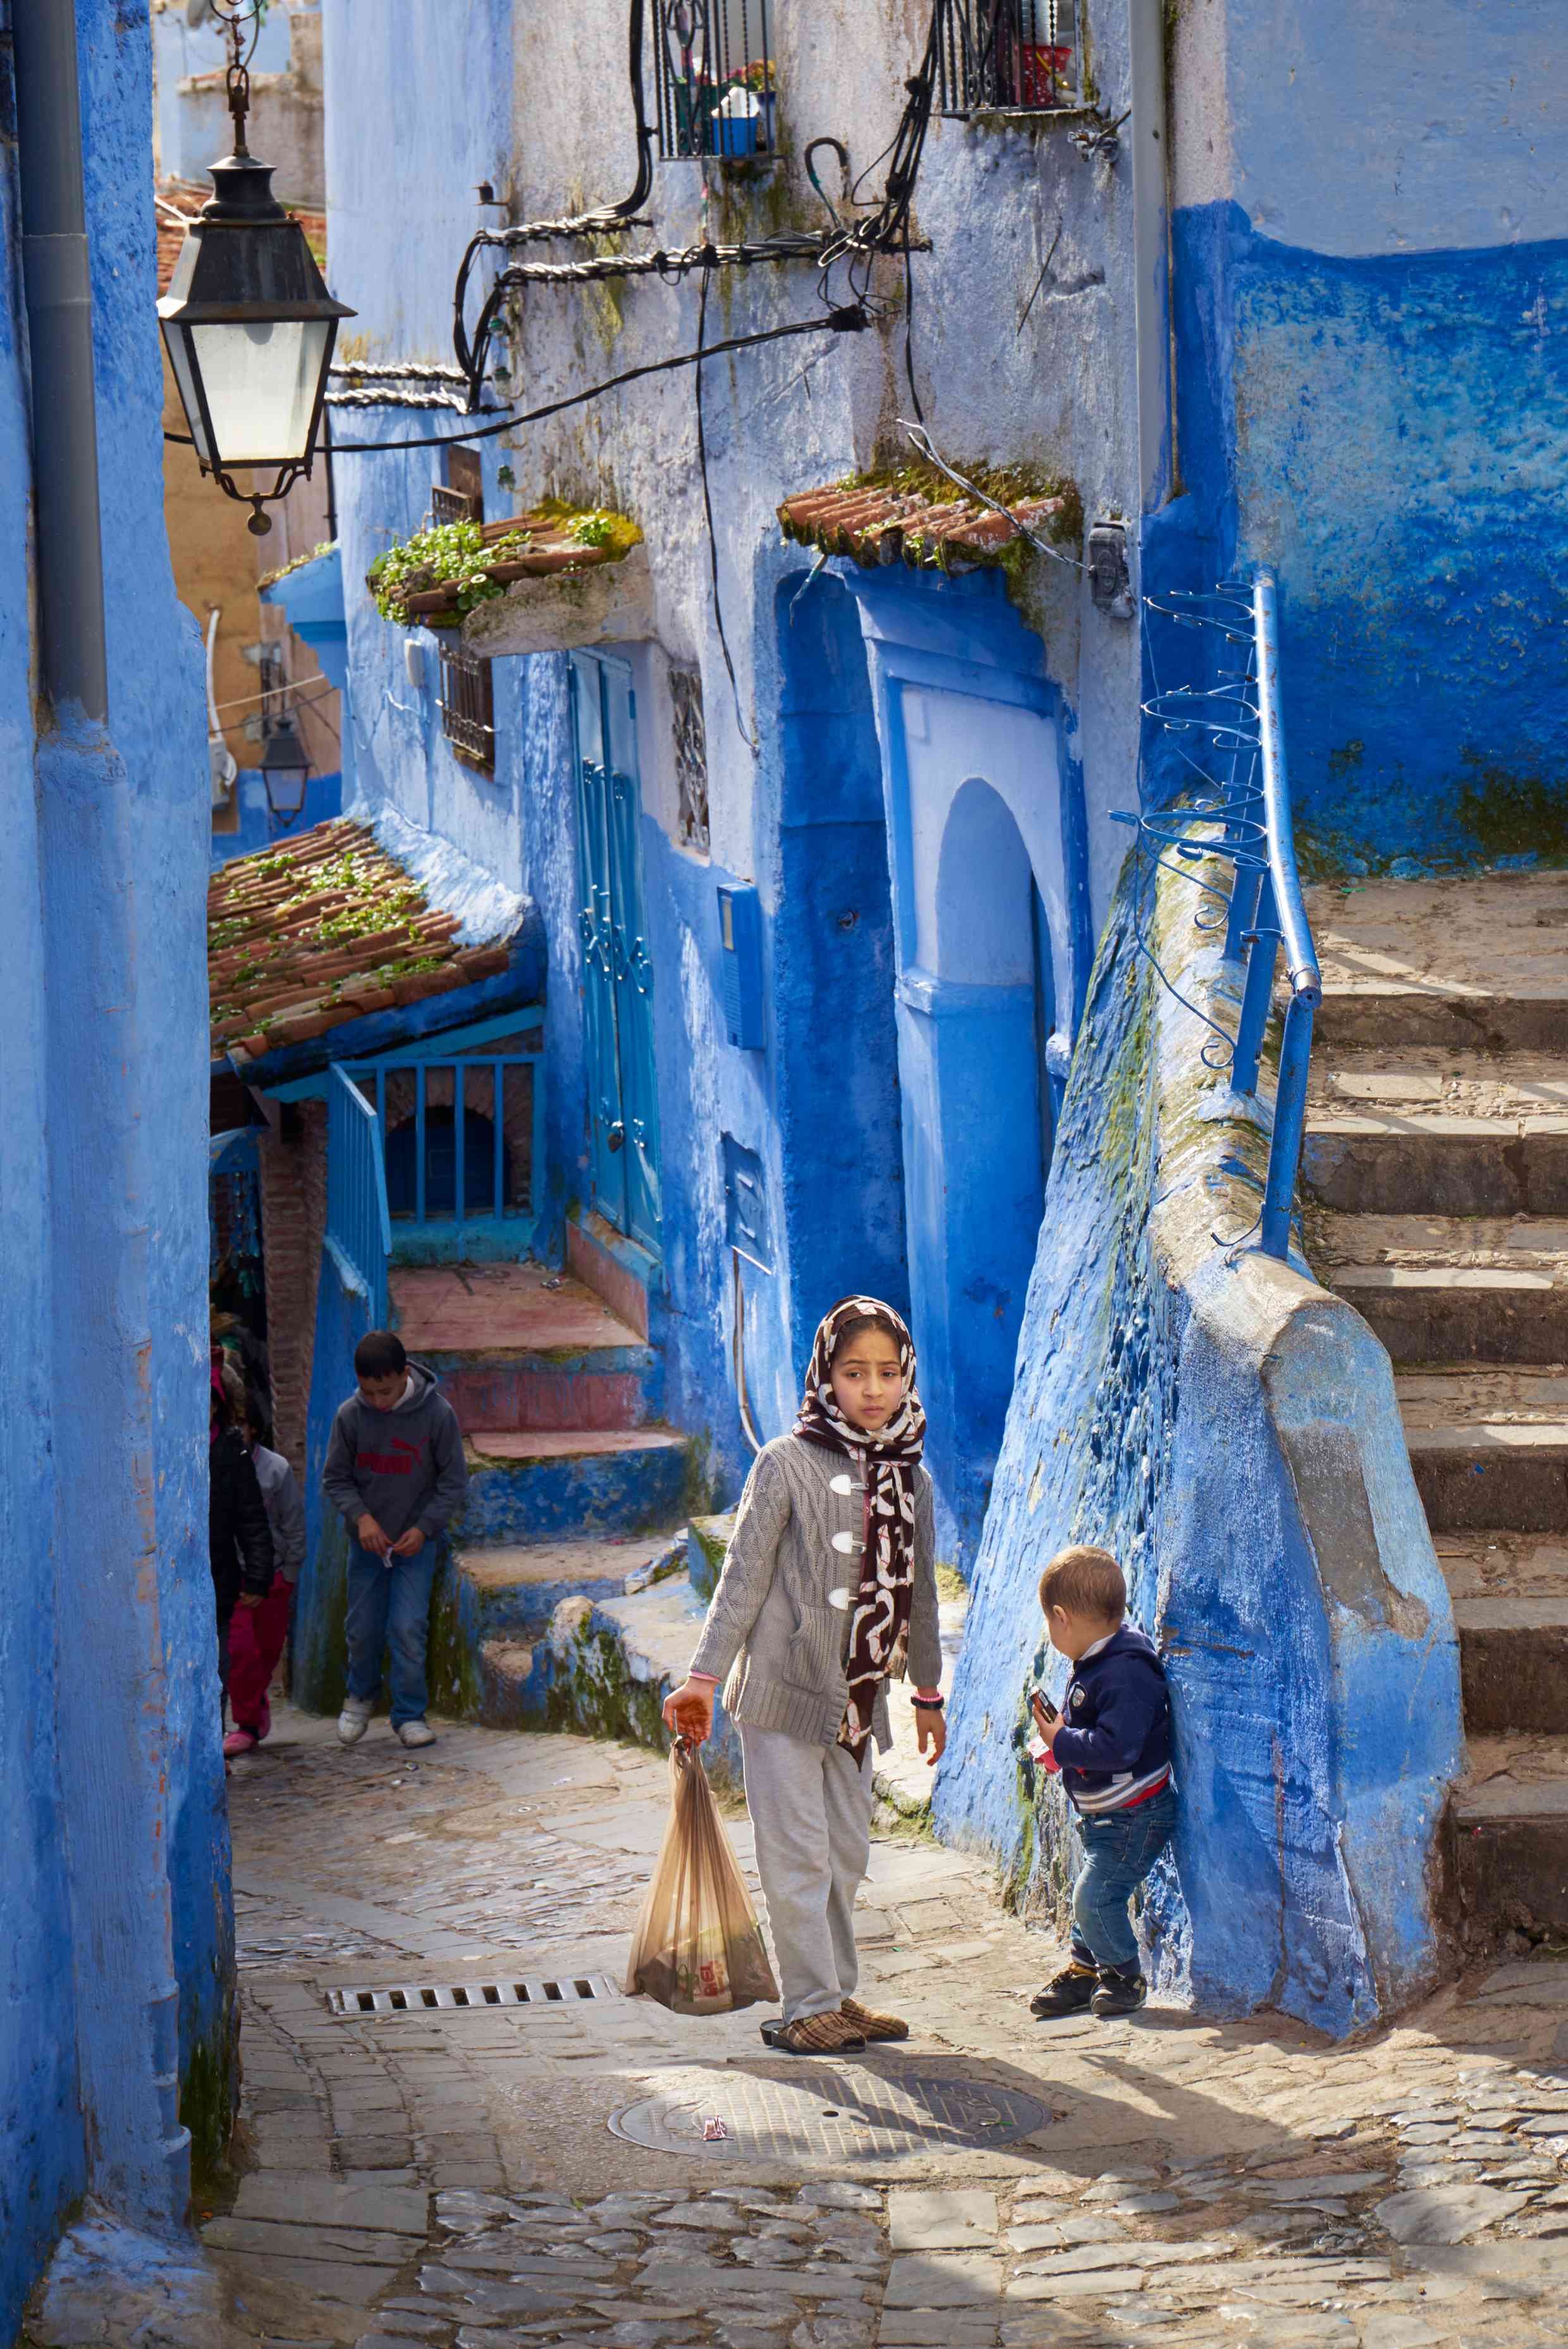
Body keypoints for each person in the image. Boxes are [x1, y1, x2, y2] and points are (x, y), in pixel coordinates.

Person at [662, 1297, 945, 2056]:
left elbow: (916, 1594)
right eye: (855, 1373)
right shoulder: (784, 1461)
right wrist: (703, 1678)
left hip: (857, 1706)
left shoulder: (909, 1477)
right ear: (826, 1375)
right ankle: (805, 2005)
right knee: (797, 1853)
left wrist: (924, 1691)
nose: (873, 1388)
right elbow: (743, 1577)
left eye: (887, 1373)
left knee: (847, 1853)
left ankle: (837, 1994)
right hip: (782, 1696)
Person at [1026, 1543, 1175, 2021]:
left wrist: (1064, 1740)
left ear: (1062, 1617)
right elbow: (1095, 1739)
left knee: (1096, 1895)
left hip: (1136, 1816)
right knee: (1088, 1895)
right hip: (1108, 1816)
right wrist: (1059, 1751)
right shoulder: (1098, 1661)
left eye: (1049, 1622)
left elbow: (1119, 1746)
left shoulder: (1126, 1672)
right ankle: (1086, 1968)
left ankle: (1124, 1975)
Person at [322, 1329, 467, 1751]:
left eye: (385, 1391)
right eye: (369, 1393)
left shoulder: (438, 1415)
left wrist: (425, 1528)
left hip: (415, 1544)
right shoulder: (350, 1416)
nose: (379, 1402)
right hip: (367, 1545)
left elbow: (454, 1482)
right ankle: (359, 1697)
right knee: (362, 1627)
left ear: (405, 1374)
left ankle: (409, 1714)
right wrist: (362, 1519)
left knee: (408, 1627)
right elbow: (336, 1478)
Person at [223, 1377, 307, 1758]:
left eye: (240, 1423)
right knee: (241, 1652)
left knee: (267, 1653)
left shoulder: (276, 1470)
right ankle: (248, 1724)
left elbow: (293, 1524)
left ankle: (255, 1708)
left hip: (274, 1579)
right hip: (235, 1581)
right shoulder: (218, 1468)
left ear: (254, 1427)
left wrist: (289, 1573)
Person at [209, 1359, 274, 1734]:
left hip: (220, 1580)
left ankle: (213, 1746)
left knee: (219, 1666)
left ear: (217, 1406)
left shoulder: (231, 1453)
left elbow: (251, 1519)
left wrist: (257, 1577)